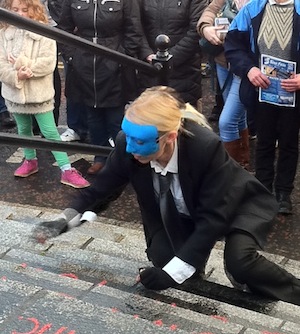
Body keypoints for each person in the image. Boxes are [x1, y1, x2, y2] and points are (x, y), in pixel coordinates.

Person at [32, 86, 300, 306]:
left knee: (240, 262)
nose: (133, 148)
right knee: (164, 259)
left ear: (169, 137)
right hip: (179, 209)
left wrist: (173, 274)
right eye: (130, 138)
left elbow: (213, 219)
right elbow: (100, 189)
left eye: (141, 141)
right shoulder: (129, 145)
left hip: (235, 204)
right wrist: (63, 221)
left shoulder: (204, 147)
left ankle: (293, 292)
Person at [0, 0, 90, 188]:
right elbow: (1, 65)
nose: (20, 14)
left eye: (25, 10)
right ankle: (30, 160)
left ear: (35, 10)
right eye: (15, 10)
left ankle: (66, 169)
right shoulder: (4, 33)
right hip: (14, 92)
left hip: (38, 94)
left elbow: (48, 63)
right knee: (23, 130)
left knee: (50, 132)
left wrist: (21, 65)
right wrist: (16, 75)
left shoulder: (43, 32)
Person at [224, 0, 300, 214]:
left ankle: (284, 193)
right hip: (262, 90)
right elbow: (233, 44)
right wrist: (249, 69)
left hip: (293, 93)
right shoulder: (252, 9)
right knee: (265, 141)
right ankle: (263, 189)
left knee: (289, 142)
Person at [58, 0, 142, 174]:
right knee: (92, 114)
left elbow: (133, 30)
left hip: (115, 61)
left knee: (115, 118)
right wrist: (72, 57)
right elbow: (63, 28)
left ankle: (123, 159)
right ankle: (100, 157)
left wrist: (121, 58)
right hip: (84, 62)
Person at [197, 0, 250, 168]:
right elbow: (209, 11)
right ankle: (242, 164)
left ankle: (231, 175)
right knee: (237, 117)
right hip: (223, 62)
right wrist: (206, 28)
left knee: (226, 121)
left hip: (246, 66)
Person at [138, 0, 208, 108]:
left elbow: (196, 30)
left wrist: (168, 58)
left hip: (184, 70)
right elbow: (136, 25)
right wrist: (147, 53)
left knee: (182, 118)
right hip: (149, 68)